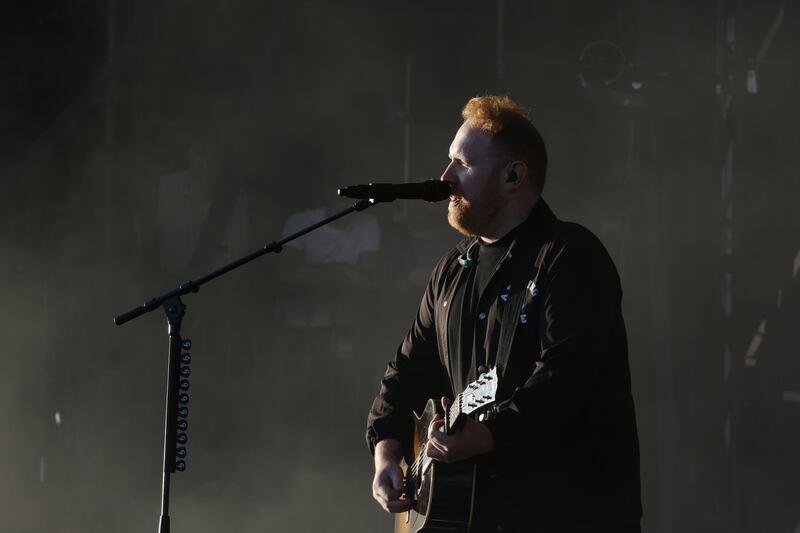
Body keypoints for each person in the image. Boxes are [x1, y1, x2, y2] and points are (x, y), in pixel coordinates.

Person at [366, 95, 642, 532]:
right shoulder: (451, 272)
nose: (446, 177)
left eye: (463, 163)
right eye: (448, 161)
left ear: (514, 175)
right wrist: (387, 455)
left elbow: (566, 379)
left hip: (567, 513)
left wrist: (488, 434)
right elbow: (404, 371)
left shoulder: (569, 257)